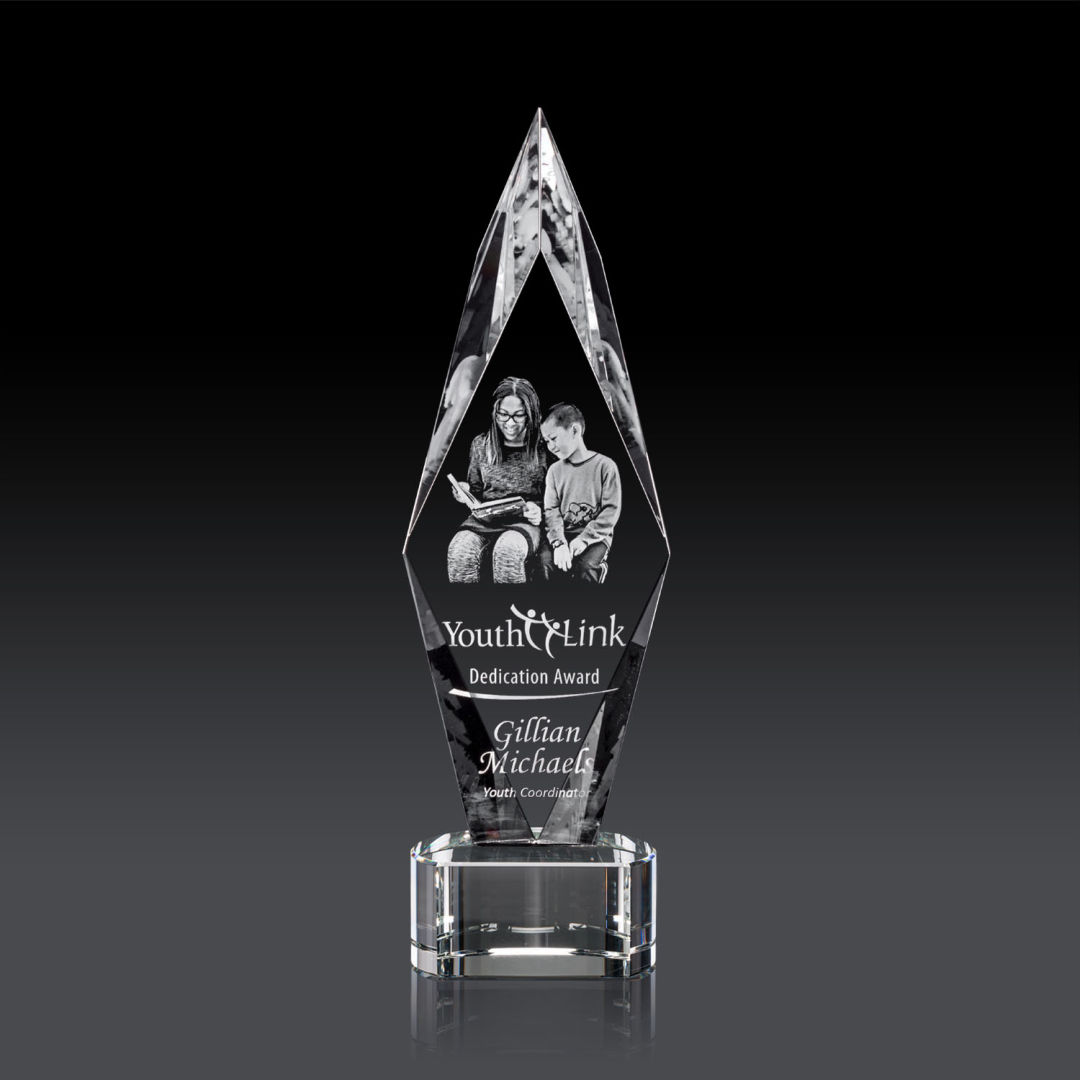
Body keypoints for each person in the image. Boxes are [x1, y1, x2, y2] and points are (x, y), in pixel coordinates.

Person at [447, 377, 548, 583]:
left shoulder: (545, 447)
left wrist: (540, 512)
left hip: (525, 522)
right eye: (503, 414)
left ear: (531, 414)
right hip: (485, 520)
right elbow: (475, 491)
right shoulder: (480, 445)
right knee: (459, 550)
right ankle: (464, 604)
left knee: (508, 551)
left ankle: (511, 604)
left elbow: (559, 496)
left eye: (518, 415)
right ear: (495, 412)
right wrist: (463, 492)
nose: (510, 423)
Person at [539, 402, 622, 583]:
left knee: (586, 567)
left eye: (553, 438)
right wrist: (559, 543)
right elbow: (551, 510)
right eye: (546, 441)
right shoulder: (554, 471)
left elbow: (611, 511)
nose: (550, 446)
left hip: (596, 537)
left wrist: (584, 539)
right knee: (544, 563)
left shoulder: (606, 466)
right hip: (562, 534)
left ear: (575, 431)